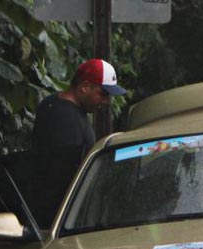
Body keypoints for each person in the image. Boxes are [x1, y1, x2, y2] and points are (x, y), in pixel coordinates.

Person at [22, 58, 126, 227]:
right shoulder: (66, 120)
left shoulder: (54, 104)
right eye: (103, 94)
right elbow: (63, 175)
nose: (106, 101)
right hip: (58, 218)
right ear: (84, 87)